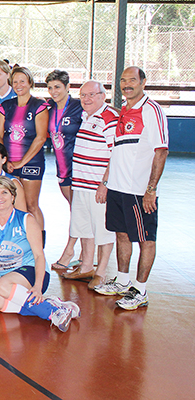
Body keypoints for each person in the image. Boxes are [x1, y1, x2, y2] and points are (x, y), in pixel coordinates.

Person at [96, 67, 169, 310]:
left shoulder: (152, 110)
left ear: (143, 82)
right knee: (122, 233)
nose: (127, 85)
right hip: (118, 187)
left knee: (146, 239)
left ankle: (140, 289)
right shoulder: (125, 111)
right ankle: (123, 281)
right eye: (123, 81)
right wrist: (107, 182)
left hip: (138, 190)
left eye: (132, 80)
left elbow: (161, 150)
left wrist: (151, 189)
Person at [0, 176, 80, 332]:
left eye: (4, 192)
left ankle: (54, 313)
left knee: (1, 286)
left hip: (30, 270)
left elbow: (39, 256)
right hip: (6, 274)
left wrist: (37, 286)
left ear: (13, 196)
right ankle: (48, 304)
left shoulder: (26, 220)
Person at [55, 81, 118, 288]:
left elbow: (116, 155)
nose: (87, 99)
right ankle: (86, 268)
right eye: (83, 95)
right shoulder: (85, 116)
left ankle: (101, 272)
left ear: (103, 95)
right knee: (84, 228)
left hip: (98, 187)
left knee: (103, 231)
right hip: (80, 185)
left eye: (92, 94)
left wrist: (105, 184)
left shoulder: (109, 118)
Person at [0, 66, 49, 238]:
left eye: (22, 81)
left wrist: (21, 162)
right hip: (10, 163)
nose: (18, 85)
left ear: (30, 83)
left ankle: (38, 245)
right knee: (13, 205)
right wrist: (5, 160)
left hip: (31, 163)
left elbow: (40, 138)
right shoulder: (6, 106)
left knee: (31, 205)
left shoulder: (39, 106)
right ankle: (17, 241)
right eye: (15, 81)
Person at [45, 70, 83, 202]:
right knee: (73, 208)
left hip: (79, 167)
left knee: (81, 210)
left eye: (57, 87)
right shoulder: (49, 110)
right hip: (62, 167)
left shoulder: (79, 106)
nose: (53, 91)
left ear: (67, 87)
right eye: (50, 88)